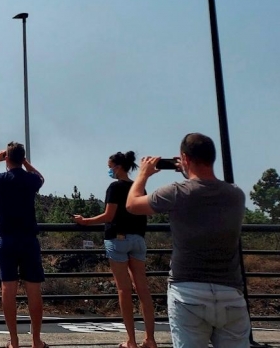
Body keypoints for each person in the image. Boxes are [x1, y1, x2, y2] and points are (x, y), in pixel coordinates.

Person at [126, 133, 248, 348]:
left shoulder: (176, 192)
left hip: (188, 292)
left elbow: (132, 205)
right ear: (212, 158)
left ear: (185, 158)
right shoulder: (236, 195)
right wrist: (187, 169)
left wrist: (143, 175)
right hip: (231, 294)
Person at [73, 151, 157, 348]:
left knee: (123, 290)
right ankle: (150, 339)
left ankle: (131, 341)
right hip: (138, 239)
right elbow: (147, 212)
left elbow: (108, 216)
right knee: (143, 290)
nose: (109, 170)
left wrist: (85, 221)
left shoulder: (115, 187)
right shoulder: (139, 187)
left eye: (110, 166)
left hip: (118, 240)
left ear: (118, 167)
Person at [0, 142, 47, 348]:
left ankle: (14, 342)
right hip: (29, 240)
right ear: (22, 158)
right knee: (34, 290)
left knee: (8, 288)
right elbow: (41, 178)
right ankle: (36, 341)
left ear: (7, 158)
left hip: (6, 240)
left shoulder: (1, 179)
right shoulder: (31, 179)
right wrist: (26, 163)